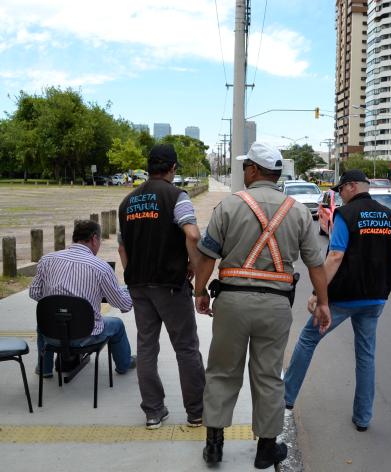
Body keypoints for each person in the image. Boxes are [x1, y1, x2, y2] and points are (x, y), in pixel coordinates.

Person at [194, 142, 331, 468]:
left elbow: (206, 257)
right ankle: (266, 448)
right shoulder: (297, 211)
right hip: (276, 307)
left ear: (254, 170)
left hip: (232, 304)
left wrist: (199, 291)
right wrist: (323, 303)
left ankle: (214, 445)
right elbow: (316, 265)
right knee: (269, 376)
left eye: (245, 167)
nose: (244, 171)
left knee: (221, 372)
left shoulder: (228, 206)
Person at [284, 169, 391, 432]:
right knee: (366, 355)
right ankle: (363, 418)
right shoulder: (388, 215)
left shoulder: (346, 215)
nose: (338, 194)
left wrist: (318, 295)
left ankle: (285, 399)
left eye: (340, 189)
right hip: (376, 298)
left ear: (352, 187)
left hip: (343, 297)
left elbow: (334, 256)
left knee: (308, 339)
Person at [118, 143, 206, 430]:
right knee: (186, 348)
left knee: (146, 348)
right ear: (172, 168)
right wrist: (194, 267)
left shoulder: (127, 202)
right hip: (169, 284)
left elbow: (122, 249)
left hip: (139, 285)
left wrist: (132, 275)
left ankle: (153, 412)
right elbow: (192, 234)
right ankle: (196, 412)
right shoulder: (176, 196)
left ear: (149, 167)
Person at [29, 220, 135, 377]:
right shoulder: (101, 267)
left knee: (45, 321)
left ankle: (44, 368)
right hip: (85, 336)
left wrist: (57, 303)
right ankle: (124, 365)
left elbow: (34, 293)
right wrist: (129, 292)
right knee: (117, 324)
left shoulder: (47, 260)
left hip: (51, 335)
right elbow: (123, 304)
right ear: (94, 239)